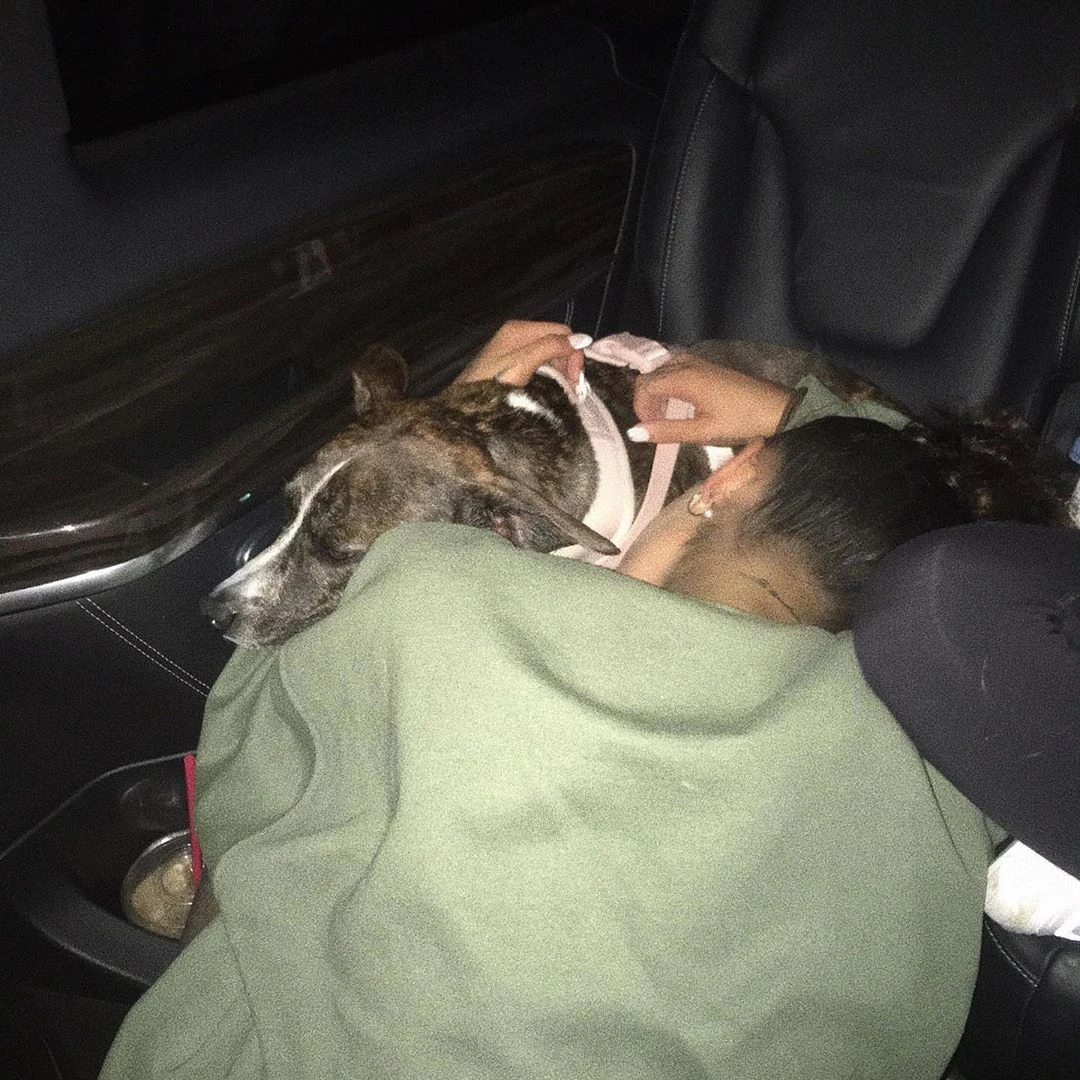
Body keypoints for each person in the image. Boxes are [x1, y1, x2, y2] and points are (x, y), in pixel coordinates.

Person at [100, 322, 1069, 1080]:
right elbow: (993, 555)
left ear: (730, 475)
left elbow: (249, 744)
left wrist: (443, 418)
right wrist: (801, 417)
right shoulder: (937, 760)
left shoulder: (434, 595)